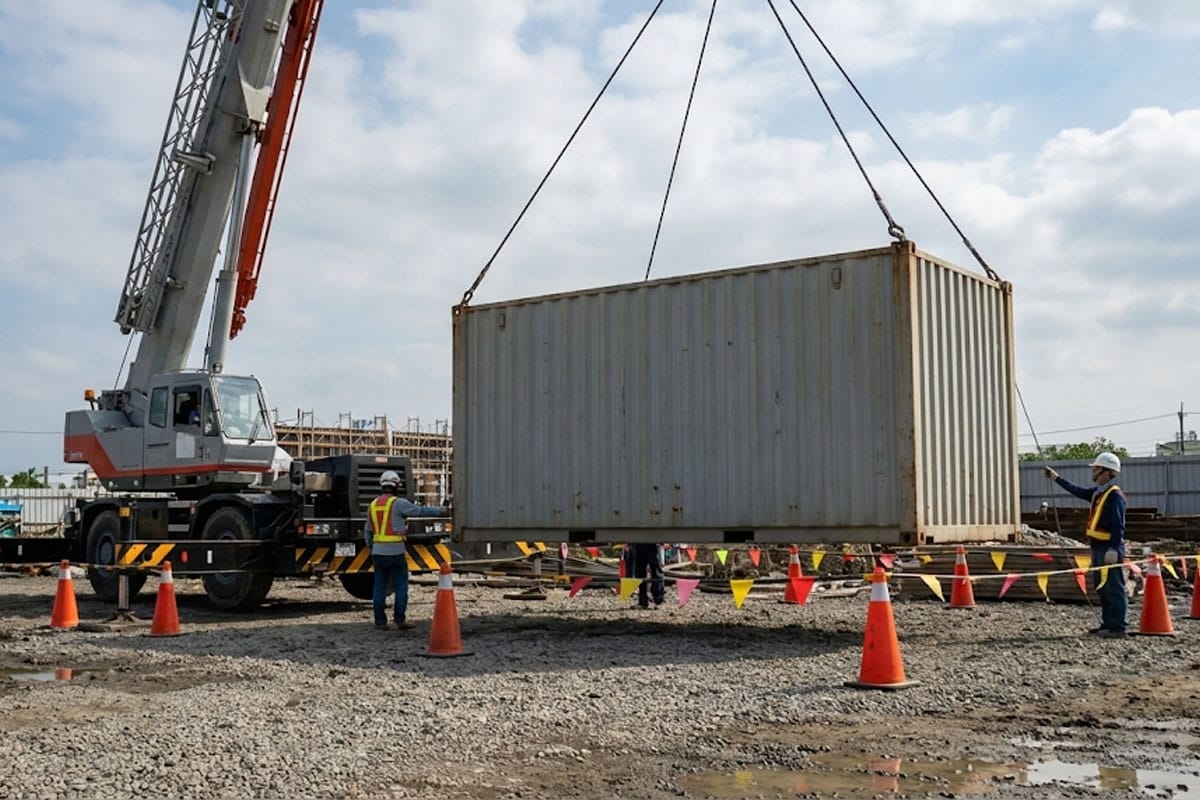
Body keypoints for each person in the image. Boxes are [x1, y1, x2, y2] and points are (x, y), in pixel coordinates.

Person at [1044, 452, 1127, 637]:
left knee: (1114, 587)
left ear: (1107, 472)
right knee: (1102, 587)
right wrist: (1056, 478)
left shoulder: (1115, 496)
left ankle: (1118, 626)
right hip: (1097, 547)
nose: (1093, 472)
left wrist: (1114, 548)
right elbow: (1077, 491)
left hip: (1109, 548)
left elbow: (1118, 524)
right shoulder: (1099, 494)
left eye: (1096, 469)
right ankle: (1108, 623)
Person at [364, 470, 446, 630]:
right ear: (396, 485)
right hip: (395, 552)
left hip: (378, 553)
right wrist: (442, 511)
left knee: (379, 587)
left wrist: (373, 548)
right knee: (401, 585)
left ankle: (380, 622)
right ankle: (399, 619)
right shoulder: (398, 503)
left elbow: (368, 532)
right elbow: (420, 511)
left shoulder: (372, 505)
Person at [629, 542, 665, 609]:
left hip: (654, 542)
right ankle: (643, 601)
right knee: (640, 573)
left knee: (656, 571)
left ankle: (658, 600)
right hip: (638, 542)